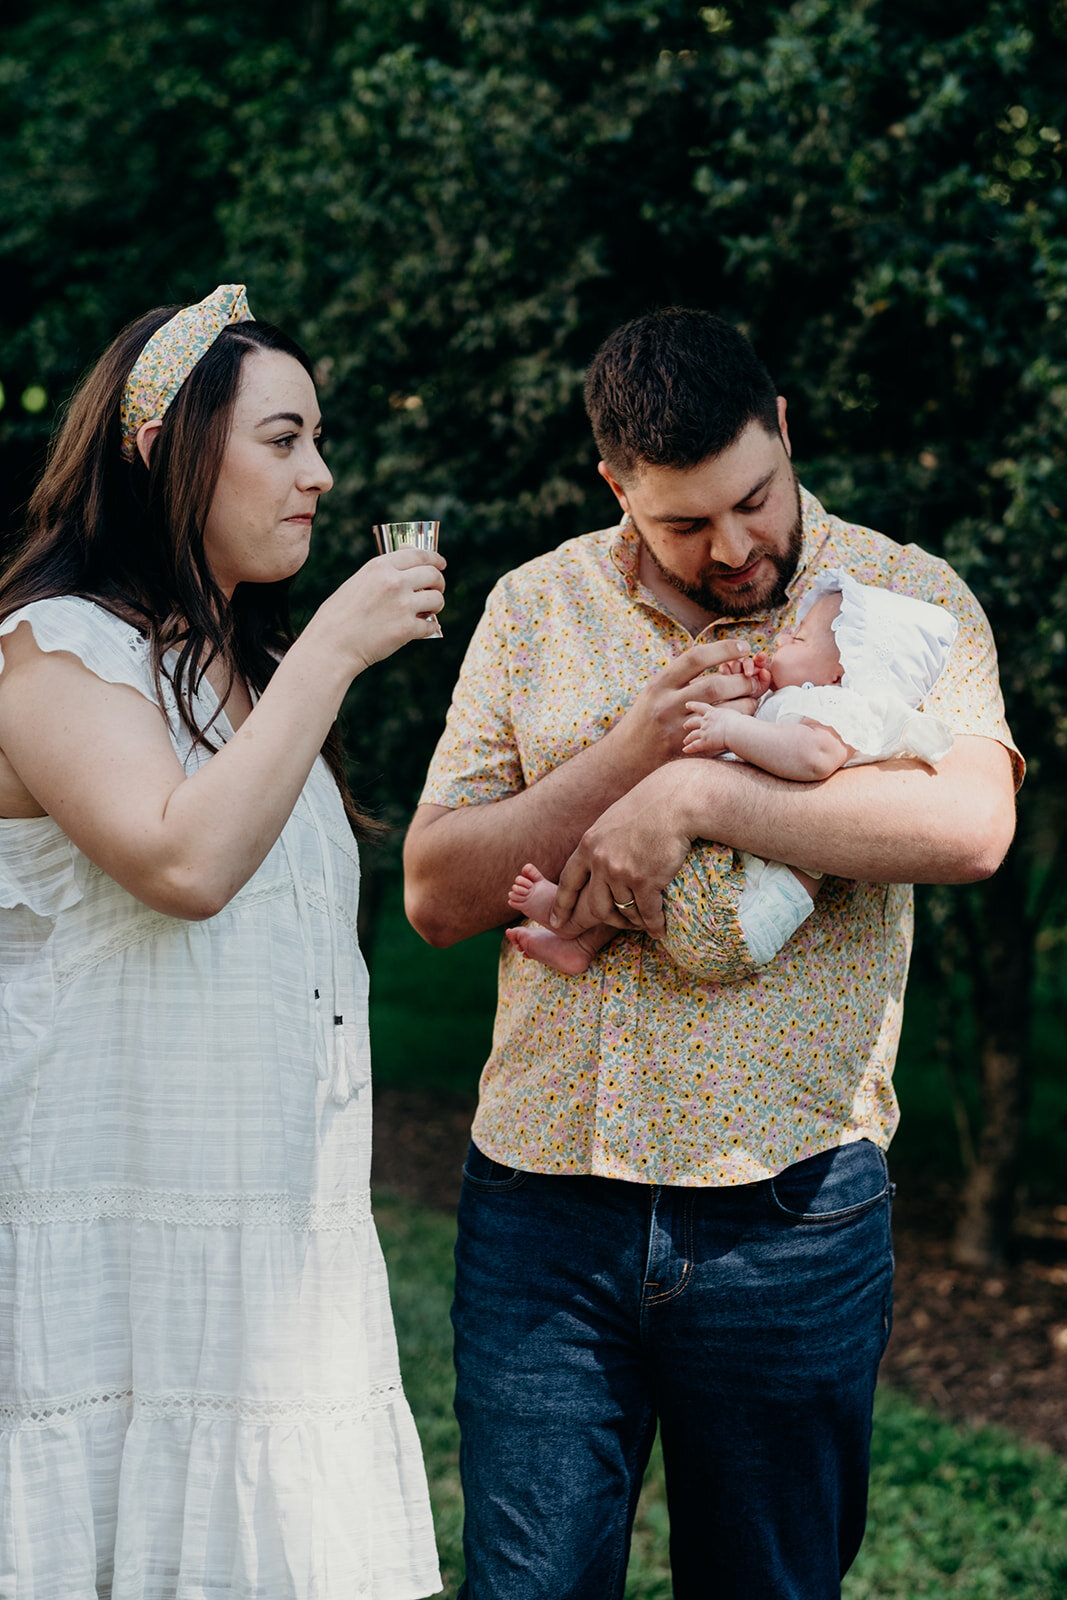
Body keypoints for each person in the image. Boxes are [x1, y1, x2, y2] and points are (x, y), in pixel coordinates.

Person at [403, 307, 1021, 1600]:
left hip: (788, 1213)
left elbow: (969, 826)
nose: (734, 546)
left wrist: (699, 802)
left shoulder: (905, 603)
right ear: (614, 485)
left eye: (753, 497)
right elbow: (433, 893)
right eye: (685, 522)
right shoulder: (532, 612)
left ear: (783, 429)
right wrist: (626, 758)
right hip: (542, 1208)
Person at [0, 286, 444, 1598]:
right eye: (283, 439)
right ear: (165, 450)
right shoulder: (49, 651)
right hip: (117, 1248)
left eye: (318, 443)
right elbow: (181, 860)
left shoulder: (237, 680)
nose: (319, 475)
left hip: (273, 1248)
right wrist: (340, 649)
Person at [505, 570, 959, 975]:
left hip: (744, 913)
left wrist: (732, 728)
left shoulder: (843, 713)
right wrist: (753, 695)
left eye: (798, 640)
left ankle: (568, 917)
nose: (781, 642)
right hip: (735, 890)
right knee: (637, 860)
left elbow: (811, 757)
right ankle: (580, 943)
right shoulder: (806, 702)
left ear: (842, 674)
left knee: (650, 868)